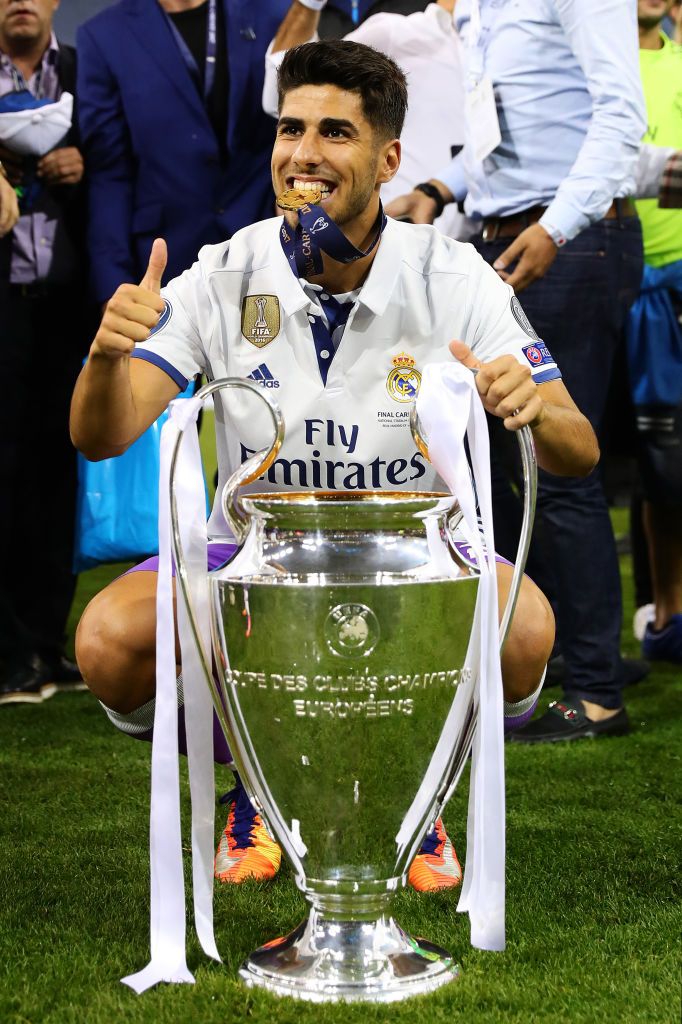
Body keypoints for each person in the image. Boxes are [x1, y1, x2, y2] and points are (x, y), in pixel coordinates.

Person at [70, 41, 597, 892]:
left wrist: (534, 410)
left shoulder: (453, 273)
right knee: (109, 640)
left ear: (389, 158)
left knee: (526, 630)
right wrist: (103, 356)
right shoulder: (224, 270)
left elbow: (579, 446)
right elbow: (102, 433)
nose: (305, 154)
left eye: (335, 133)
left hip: (418, 559)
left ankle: (414, 800)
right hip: (255, 560)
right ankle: (260, 785)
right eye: (291, 129)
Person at [388, 0, 649, 743]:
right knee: (509, 463)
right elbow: (500, 141)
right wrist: (438, 190)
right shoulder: (482, 9)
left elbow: (621, 120)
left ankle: (597, 691)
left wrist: (555, 228)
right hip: (509, 235)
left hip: (570, 240)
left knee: (560, 465)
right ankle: (565, 648)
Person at [75, 0, 290, 304]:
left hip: (268, 250)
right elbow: (109, 173)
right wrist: (113, 288)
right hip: (166, 262)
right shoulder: (103, 36)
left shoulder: (274, 14)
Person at [0, 0, 91, 705]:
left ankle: (42, 642)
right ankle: (7, 652)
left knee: (55, 473)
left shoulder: (88, 71)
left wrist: (79, 163)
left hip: (67, 304)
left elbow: (125, 160)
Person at [263, 0, 471, 238]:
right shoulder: (399, 33)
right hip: (382, 242)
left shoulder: (508, 46)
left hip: (486, 246)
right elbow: (278, 93)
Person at [627, 0, 682, 663]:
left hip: (677, 278)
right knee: (657, 461)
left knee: (667, 458)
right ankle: (664, 609)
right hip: (615, 276)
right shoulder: (592, 64)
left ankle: (670, 615)